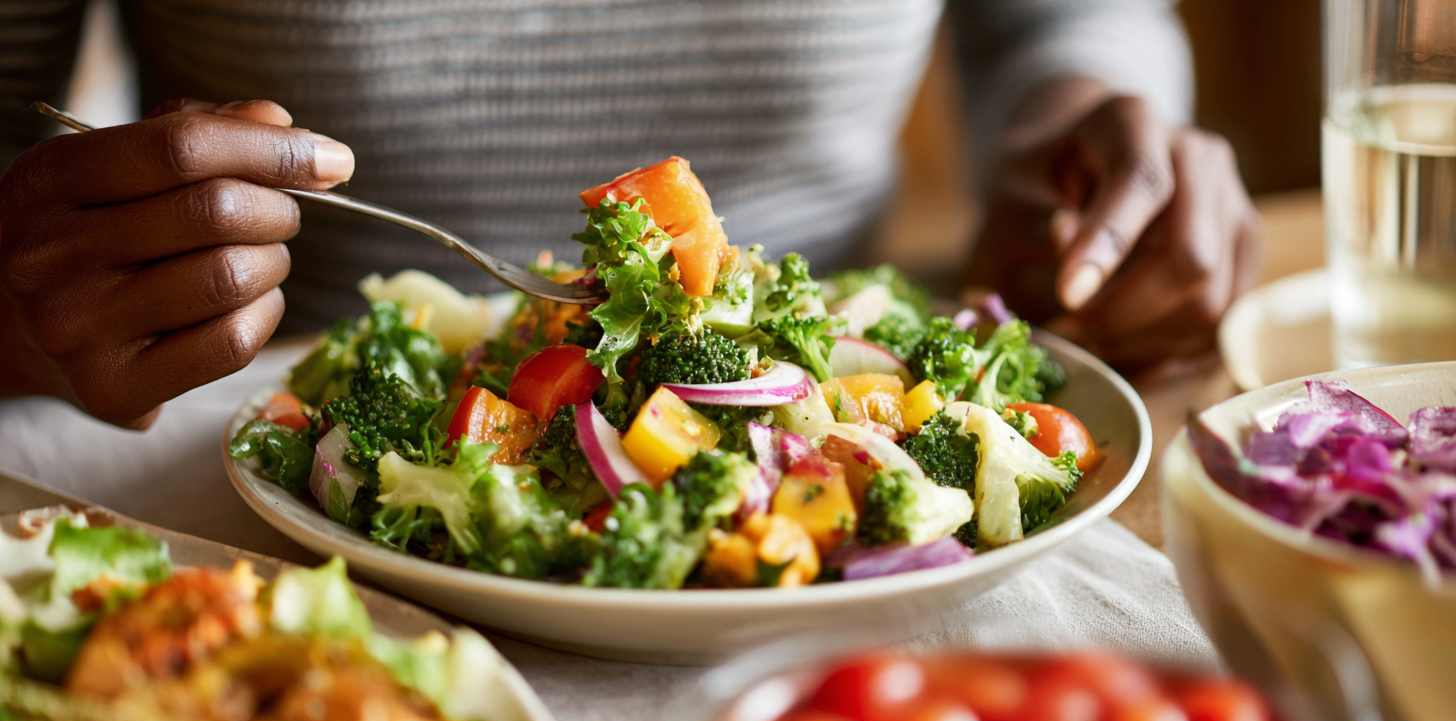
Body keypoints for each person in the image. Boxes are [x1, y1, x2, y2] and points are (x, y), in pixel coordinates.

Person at [0, 0, 1260, 429]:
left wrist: (1083, 123)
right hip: (236, 438)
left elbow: (1060, 18)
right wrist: (21, 291)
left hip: (839, 394)